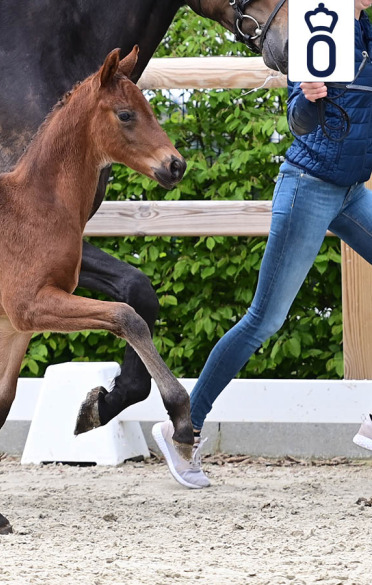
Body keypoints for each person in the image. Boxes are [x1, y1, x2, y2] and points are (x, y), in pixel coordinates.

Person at [152, 0, 372, 489]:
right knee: (264, 320)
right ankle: (182, 428)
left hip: (351, 191)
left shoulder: (368, 32)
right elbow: (297, 121)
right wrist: (308, 99)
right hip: (308, 188)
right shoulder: (321, 28)